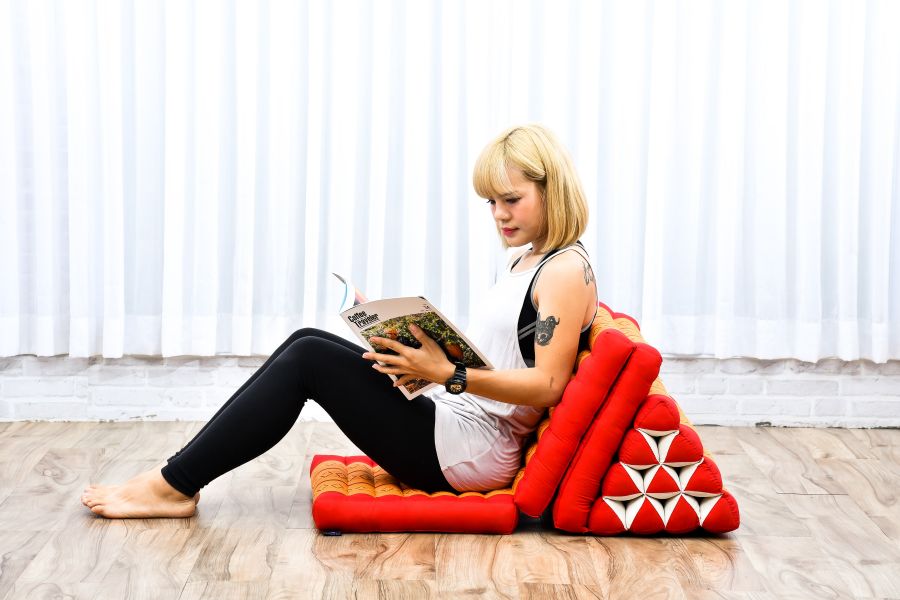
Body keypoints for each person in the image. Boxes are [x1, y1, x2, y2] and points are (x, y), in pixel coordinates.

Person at [81, 124, 598, 518]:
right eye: (491, 202)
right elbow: (504, 358)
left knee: (308, 359)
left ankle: (173, 485)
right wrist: (413, 354)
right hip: (454, 419)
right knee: (306, 340)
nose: (499, 214)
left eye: (512, 200)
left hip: (472, 452)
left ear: (551, 190)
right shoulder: (527, 259)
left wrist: (446, 373)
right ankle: (176, 476)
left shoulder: (564, 271)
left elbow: (548, 386)